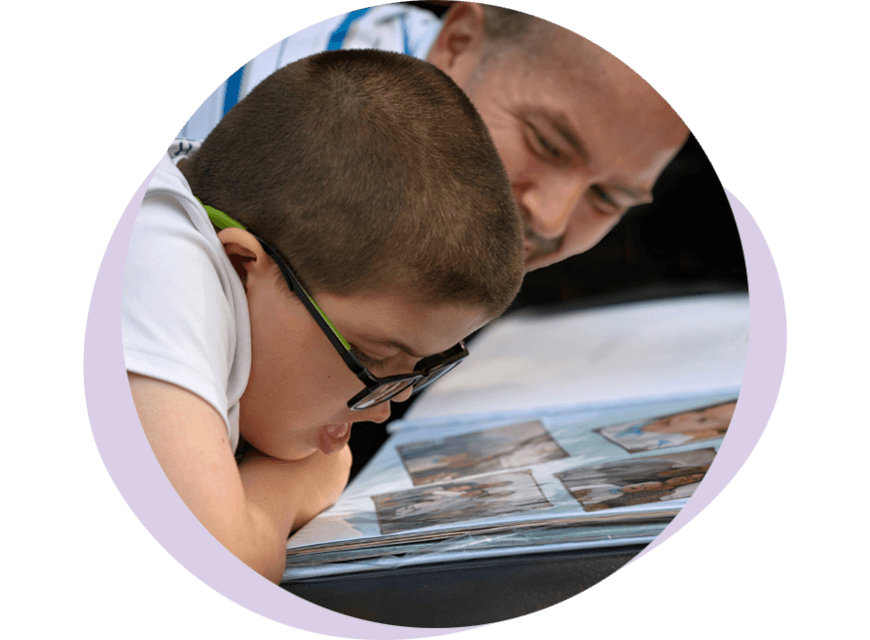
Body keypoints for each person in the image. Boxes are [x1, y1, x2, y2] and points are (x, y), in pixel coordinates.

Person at [123, 49, 525, 583]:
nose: (381, 412)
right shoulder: (149, 250)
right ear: (244, 265)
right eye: (370, 356)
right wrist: (289, 487)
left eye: (419, 370)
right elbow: (218, 567)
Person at [177, 3, 690, 271]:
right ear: (458, 43)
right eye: (547, 145)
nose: (552, 216)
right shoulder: (304, 124)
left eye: (607, 197)